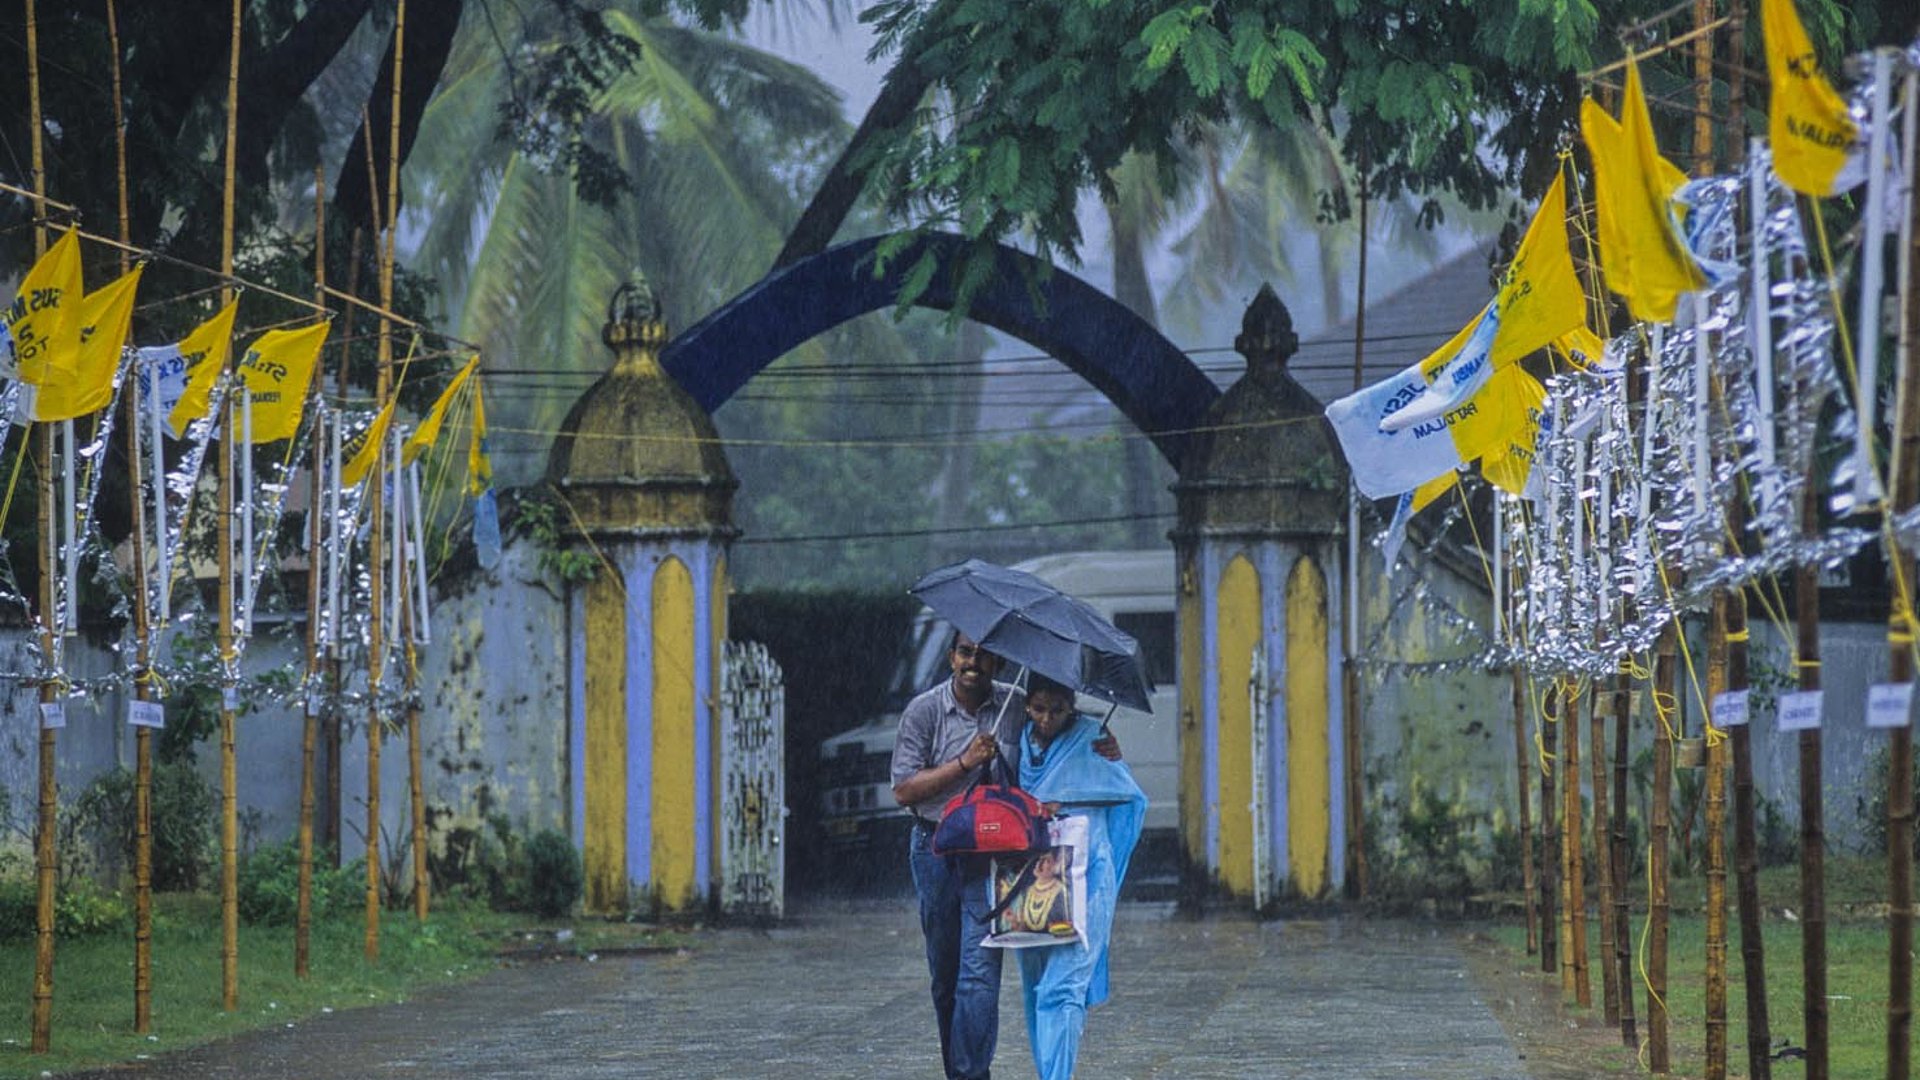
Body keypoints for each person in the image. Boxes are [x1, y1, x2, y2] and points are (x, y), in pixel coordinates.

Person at [891, 633, 1120, 1080]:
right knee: (945, 975)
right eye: (965, 652)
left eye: (984, 654)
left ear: (999, 661)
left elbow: (1058, 725)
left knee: (978, 976)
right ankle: (957, 1067)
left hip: (990, 857)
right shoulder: (924, 711)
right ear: (952, 657)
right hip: (934, 847)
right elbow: (903, 790)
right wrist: (964, 762)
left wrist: (1104, 741)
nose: (973, 662)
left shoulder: (1015, 704)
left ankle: (972, 1074)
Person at [1013, 673, 1147, 1080]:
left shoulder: (1094, 737)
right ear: (1026, 706)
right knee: (1035, 984)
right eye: (1039, 709)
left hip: (1090, 876)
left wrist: (1074, 799)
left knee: (1065, 985)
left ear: (1072, 706)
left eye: (1058, 709)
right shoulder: (1014, 742)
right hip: (1034, 873)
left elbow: (1131, 799)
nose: (1048, 719)